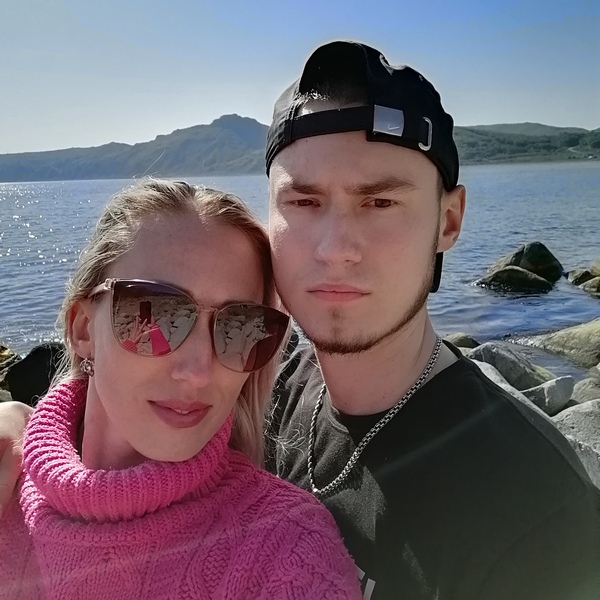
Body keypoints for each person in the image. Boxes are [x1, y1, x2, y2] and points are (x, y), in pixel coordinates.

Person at [1, 40, 600, 600]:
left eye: (381, 201)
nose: (335, 248)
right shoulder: (272, 379)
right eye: (304, 202)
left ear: (449, 220)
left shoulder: (541, 518)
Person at [0, 179, 361, 599]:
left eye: (240, 328)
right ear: (83, 329)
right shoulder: (9, 481)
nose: (198, 372)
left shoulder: (286, 552)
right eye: (154, 315)